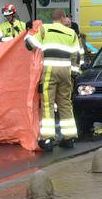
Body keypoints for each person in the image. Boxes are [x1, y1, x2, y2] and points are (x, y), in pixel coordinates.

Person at [25, 9, 82, 150]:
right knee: (65, 103)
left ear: (53, 19)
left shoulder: (45, 29)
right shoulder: (71, 33)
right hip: (66, 72)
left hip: (50, 70)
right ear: (62, 18)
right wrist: (73, 73)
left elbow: (29, 45)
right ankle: (69, 138)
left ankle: (47, 139)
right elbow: (77, 56)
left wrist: (29, 34)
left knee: (47, 104)